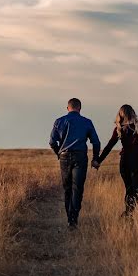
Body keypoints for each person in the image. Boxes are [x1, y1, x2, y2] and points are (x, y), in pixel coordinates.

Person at [94, 104, 138, 218]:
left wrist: (99, 161)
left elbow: (109, 146)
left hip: (124, 164)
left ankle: (128, 214)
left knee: (129, 189)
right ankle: (129, 214)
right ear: (133, 113)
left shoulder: (121, 128)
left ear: (120, 115)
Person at [49, 98, 101, 230]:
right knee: (77, 189)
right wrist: (95, 158)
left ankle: (69, 218)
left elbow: (52, 142)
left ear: (67, 108)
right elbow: (96, 142)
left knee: (67, 189)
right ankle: (74, 220)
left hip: (64, 157)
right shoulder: (87, 122)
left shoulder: (59, 121)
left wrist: (58, 153)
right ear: (80, 108)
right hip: (80, 157)